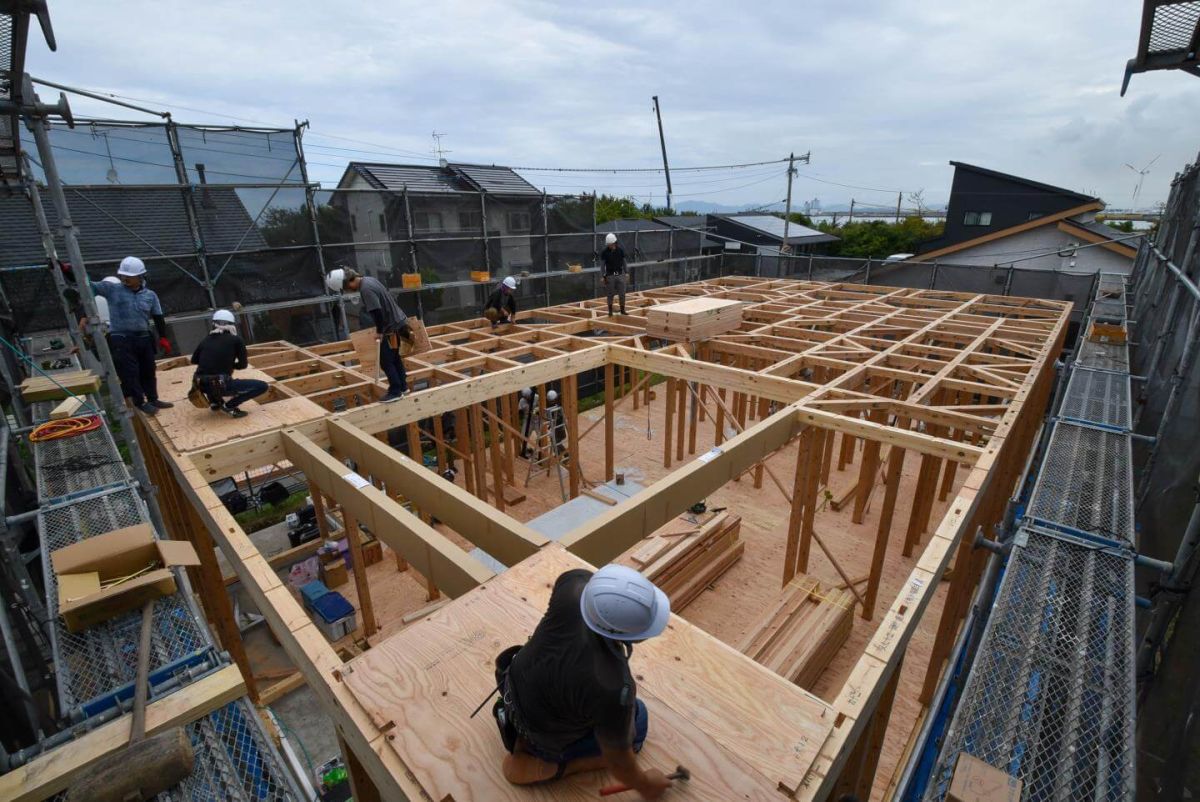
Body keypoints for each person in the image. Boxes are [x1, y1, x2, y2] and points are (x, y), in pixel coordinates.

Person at [493, 565, 674, 799]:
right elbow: (619, 760)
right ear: (625, 635)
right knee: (638, 722)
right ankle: (545, 764)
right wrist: (646, 784)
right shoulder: (612, 684)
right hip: (542, 732)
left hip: (514, 686)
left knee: (616, 714)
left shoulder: (575, 584)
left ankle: (527, 741)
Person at [91, 257, 174, 415]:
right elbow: (88, 285)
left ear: (141, 276)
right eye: (123, 275)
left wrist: (163, 336)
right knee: (131, 372)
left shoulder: (150, 295)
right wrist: (69, 271)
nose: (125, 278)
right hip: (121, 338)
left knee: (149, 369)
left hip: (143, 337)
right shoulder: (112, 289)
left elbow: (158, 317)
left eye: (129, 276)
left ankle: (153, 398)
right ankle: (139, 402)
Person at [326, 268, 411, 402]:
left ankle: (395, 391)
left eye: (346, 288)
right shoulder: (370, 280)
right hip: (399, 324)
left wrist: (379, 332)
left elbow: (378, 312)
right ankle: (403, 387)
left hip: (390, 328)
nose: (348, 291)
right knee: (394, 358)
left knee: (386, 361)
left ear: (349, 282)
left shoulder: (366, 289)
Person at [190, 309, 267, 419]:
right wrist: (229, 364)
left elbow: (194, 360)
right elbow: (242, 365)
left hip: (199, 386)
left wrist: (216, 362)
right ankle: (230, 405)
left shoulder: (206, 340)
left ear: (214, 324)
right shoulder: (236, 340)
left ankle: (215, 403)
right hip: (221, 385)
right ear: (232, 324)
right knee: (262, 386)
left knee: (212, 376)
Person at [600, 233, 628, 317]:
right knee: (610, 294)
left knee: (622, 293)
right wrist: (602, 276)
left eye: (610, 244)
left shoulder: (620, 251)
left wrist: (626, 272)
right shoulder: (604, 252)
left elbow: (624, 262)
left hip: (620, 275)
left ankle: (622, 310)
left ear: (614, 243)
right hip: (610, 276)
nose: (609, 246)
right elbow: (602, 265)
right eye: (608, 244)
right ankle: (610, 311)